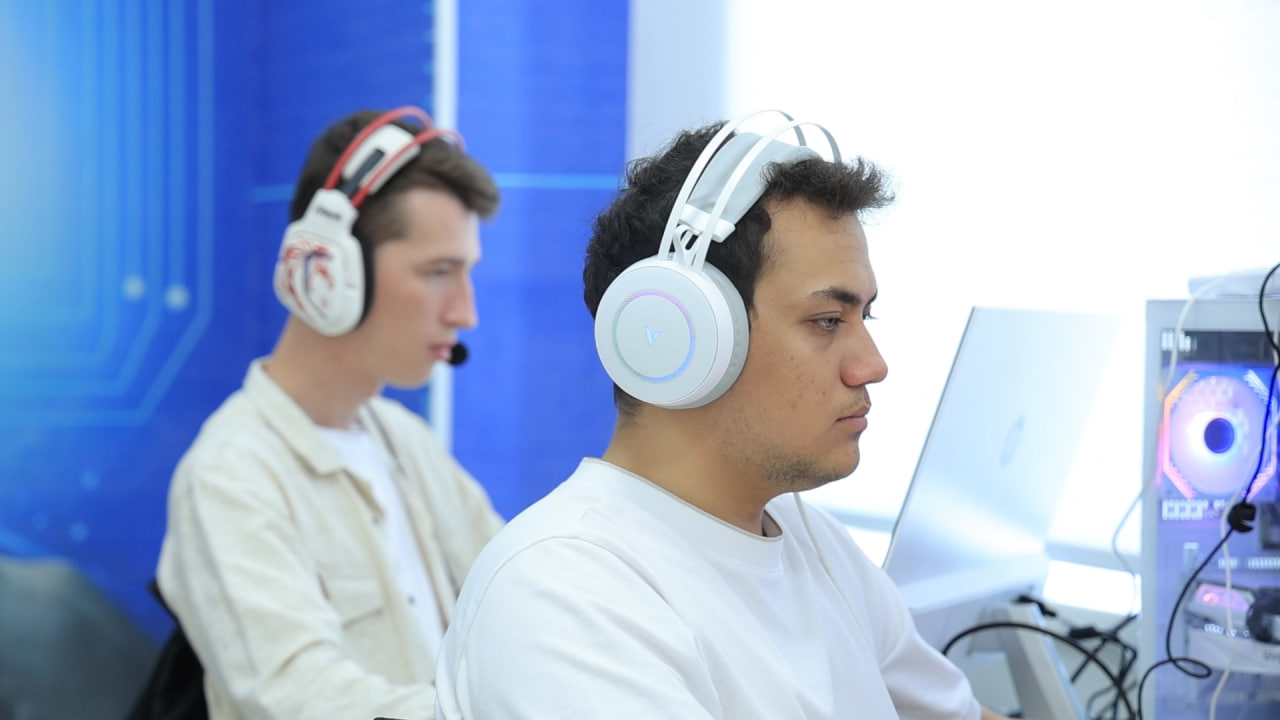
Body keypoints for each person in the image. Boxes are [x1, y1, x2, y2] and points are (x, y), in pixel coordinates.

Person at [433, 113, 1013, 719]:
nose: (873, 366)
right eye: (827, 321)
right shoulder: (567, 591)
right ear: (682, 335)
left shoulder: (815, 543)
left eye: (864, 317)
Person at [156, 106, 505, 720]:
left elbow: (514, 595)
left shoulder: (406, 441)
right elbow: (298, 698)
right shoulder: (230, 475)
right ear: (327, 271)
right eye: (438, 272)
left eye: (467, 273)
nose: (465, 313)